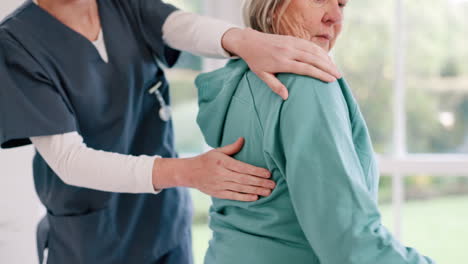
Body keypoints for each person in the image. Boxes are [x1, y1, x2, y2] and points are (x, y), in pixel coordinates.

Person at [0, 0, 342, 263]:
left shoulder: (123, 5)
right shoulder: (18, 41)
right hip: (89, 234)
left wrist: (245, 41)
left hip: (163, 221)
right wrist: (190, 172)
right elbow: (69, 160)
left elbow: (182, 27)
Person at [195, 0, 435, 263]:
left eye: (342, 4)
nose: (334, 17)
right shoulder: (307, 82)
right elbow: (350, 241)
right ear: (273, 6)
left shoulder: (237, 82)